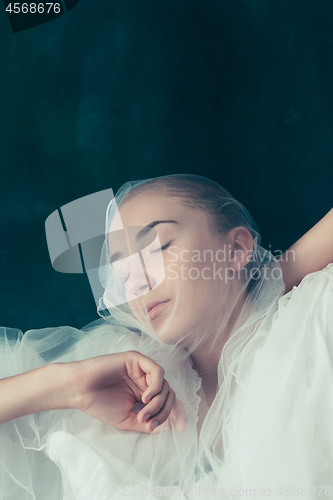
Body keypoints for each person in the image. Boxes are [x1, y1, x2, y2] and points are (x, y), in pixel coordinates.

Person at [0, 174, 332, 500]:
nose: (136, 284)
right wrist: (65, 385)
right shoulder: (124, 388)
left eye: (157, 247)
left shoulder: (311, 329)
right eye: (122, 273)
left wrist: (278, 275)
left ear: (237, 248)